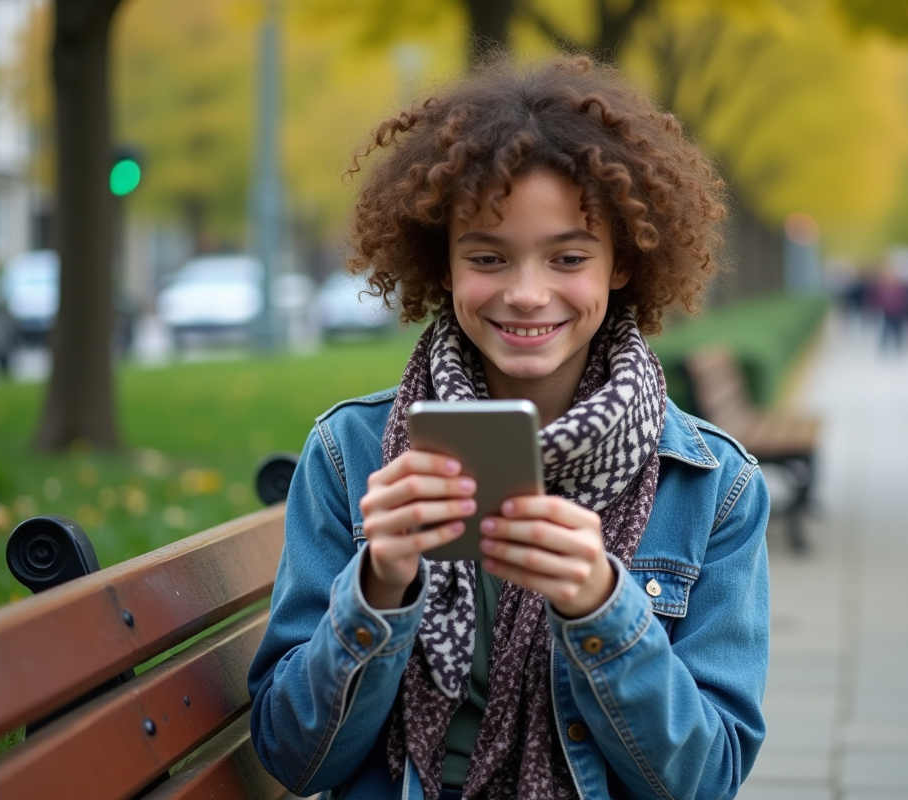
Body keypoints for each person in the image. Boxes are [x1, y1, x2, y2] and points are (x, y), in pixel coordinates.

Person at [248, 56, 771, 800]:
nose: (527, 294)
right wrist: (378, 587)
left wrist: (601, 607)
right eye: (489, 257)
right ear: (445, 264)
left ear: (621, 262)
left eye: (568, 257)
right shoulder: (350, 455)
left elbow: (705, 778)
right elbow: (295, 759)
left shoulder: (714, 486)